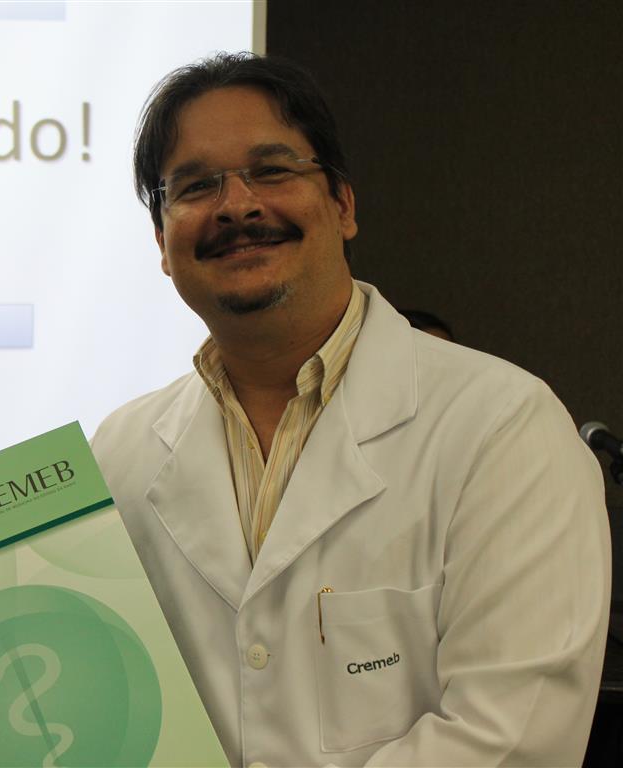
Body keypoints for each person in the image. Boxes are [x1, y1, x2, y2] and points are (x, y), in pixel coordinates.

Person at [91, 52, 609, 766]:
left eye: (272, 170)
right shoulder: (118, 454)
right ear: (161, 240)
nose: (237, 206)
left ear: (342, 205)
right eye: (196, 185)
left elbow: (513, 739)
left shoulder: (505, 427)